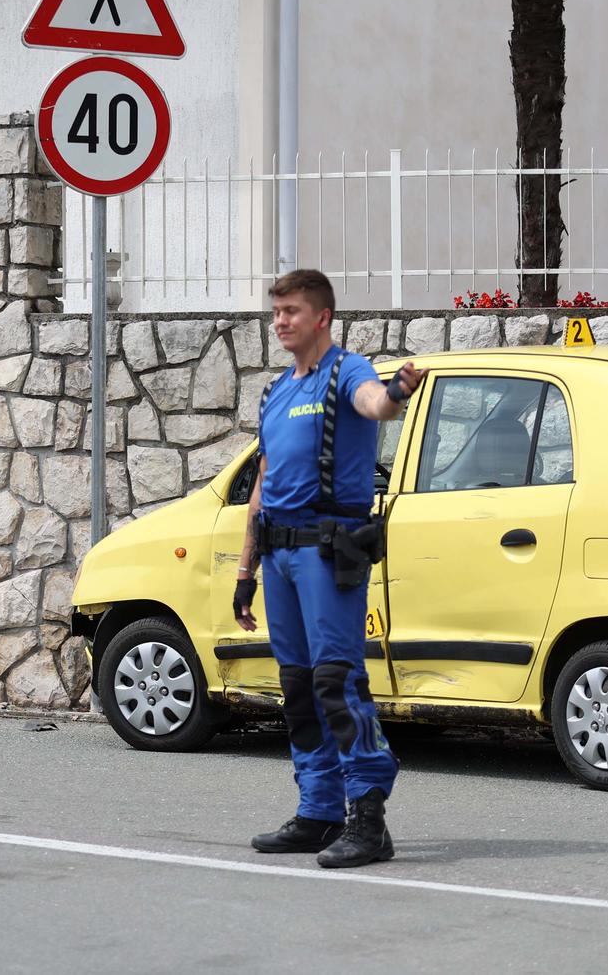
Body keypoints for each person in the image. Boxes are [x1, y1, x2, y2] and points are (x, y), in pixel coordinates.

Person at [234, 268, 425, 869]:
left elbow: (376, 406)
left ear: (321, 317)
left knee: (336, 683)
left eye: (291, 310)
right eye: (276, 311)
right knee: (296, 687)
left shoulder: (348, 372)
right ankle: (318, 811)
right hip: (278, 555)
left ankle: (368, 816)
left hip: (327, 549)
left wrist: (397, 391)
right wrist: (245, 572)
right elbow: (261, 486)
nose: (280, 321)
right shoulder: (275, 392)